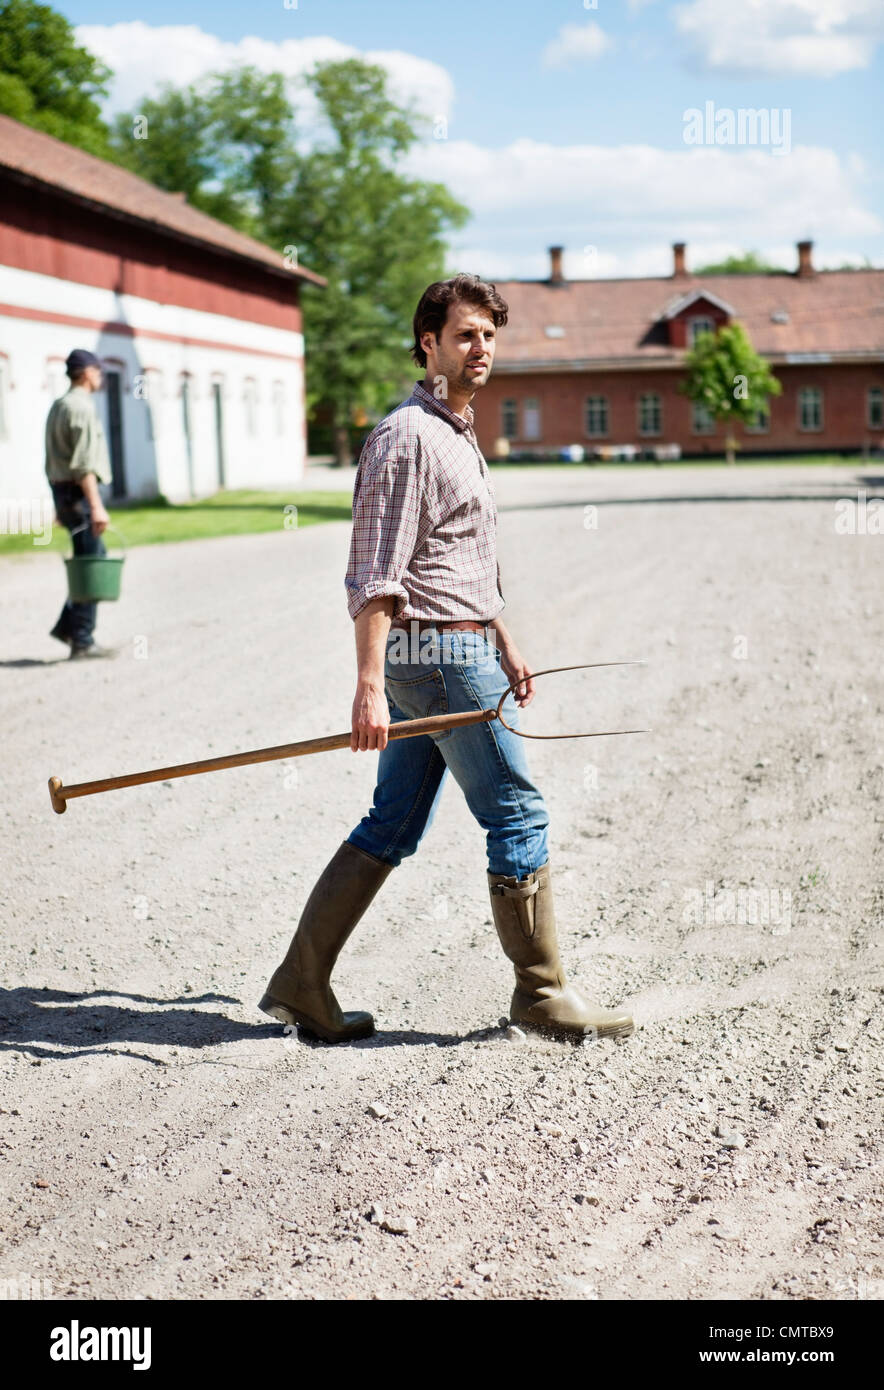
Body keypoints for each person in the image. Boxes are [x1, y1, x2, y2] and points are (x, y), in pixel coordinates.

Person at [259, 274, 633, 1045]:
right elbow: (376, 573)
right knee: (518, 811)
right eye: (466, 334)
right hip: (435, 657)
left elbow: (455, 557)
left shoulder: (455, 430)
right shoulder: (408, 437)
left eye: (491, 335)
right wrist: (368, 686)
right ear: (428, 343)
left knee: (392, 821)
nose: (482, 347)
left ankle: (303, 982)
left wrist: (505, 637)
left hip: (458, 645)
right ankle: (541, 992)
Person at [45, 349, 114, 659]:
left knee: (87, 558)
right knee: (92, 564)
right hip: (79, 495)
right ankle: (81, 638)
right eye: (98, 372)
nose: (100, 377)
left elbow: (52, 459)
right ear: (87, 373)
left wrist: (59, 505)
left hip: (63, 494)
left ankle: (68, 627)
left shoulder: (59, 406)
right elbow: (84, 464)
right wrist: (96, 505)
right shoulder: (82, 408)